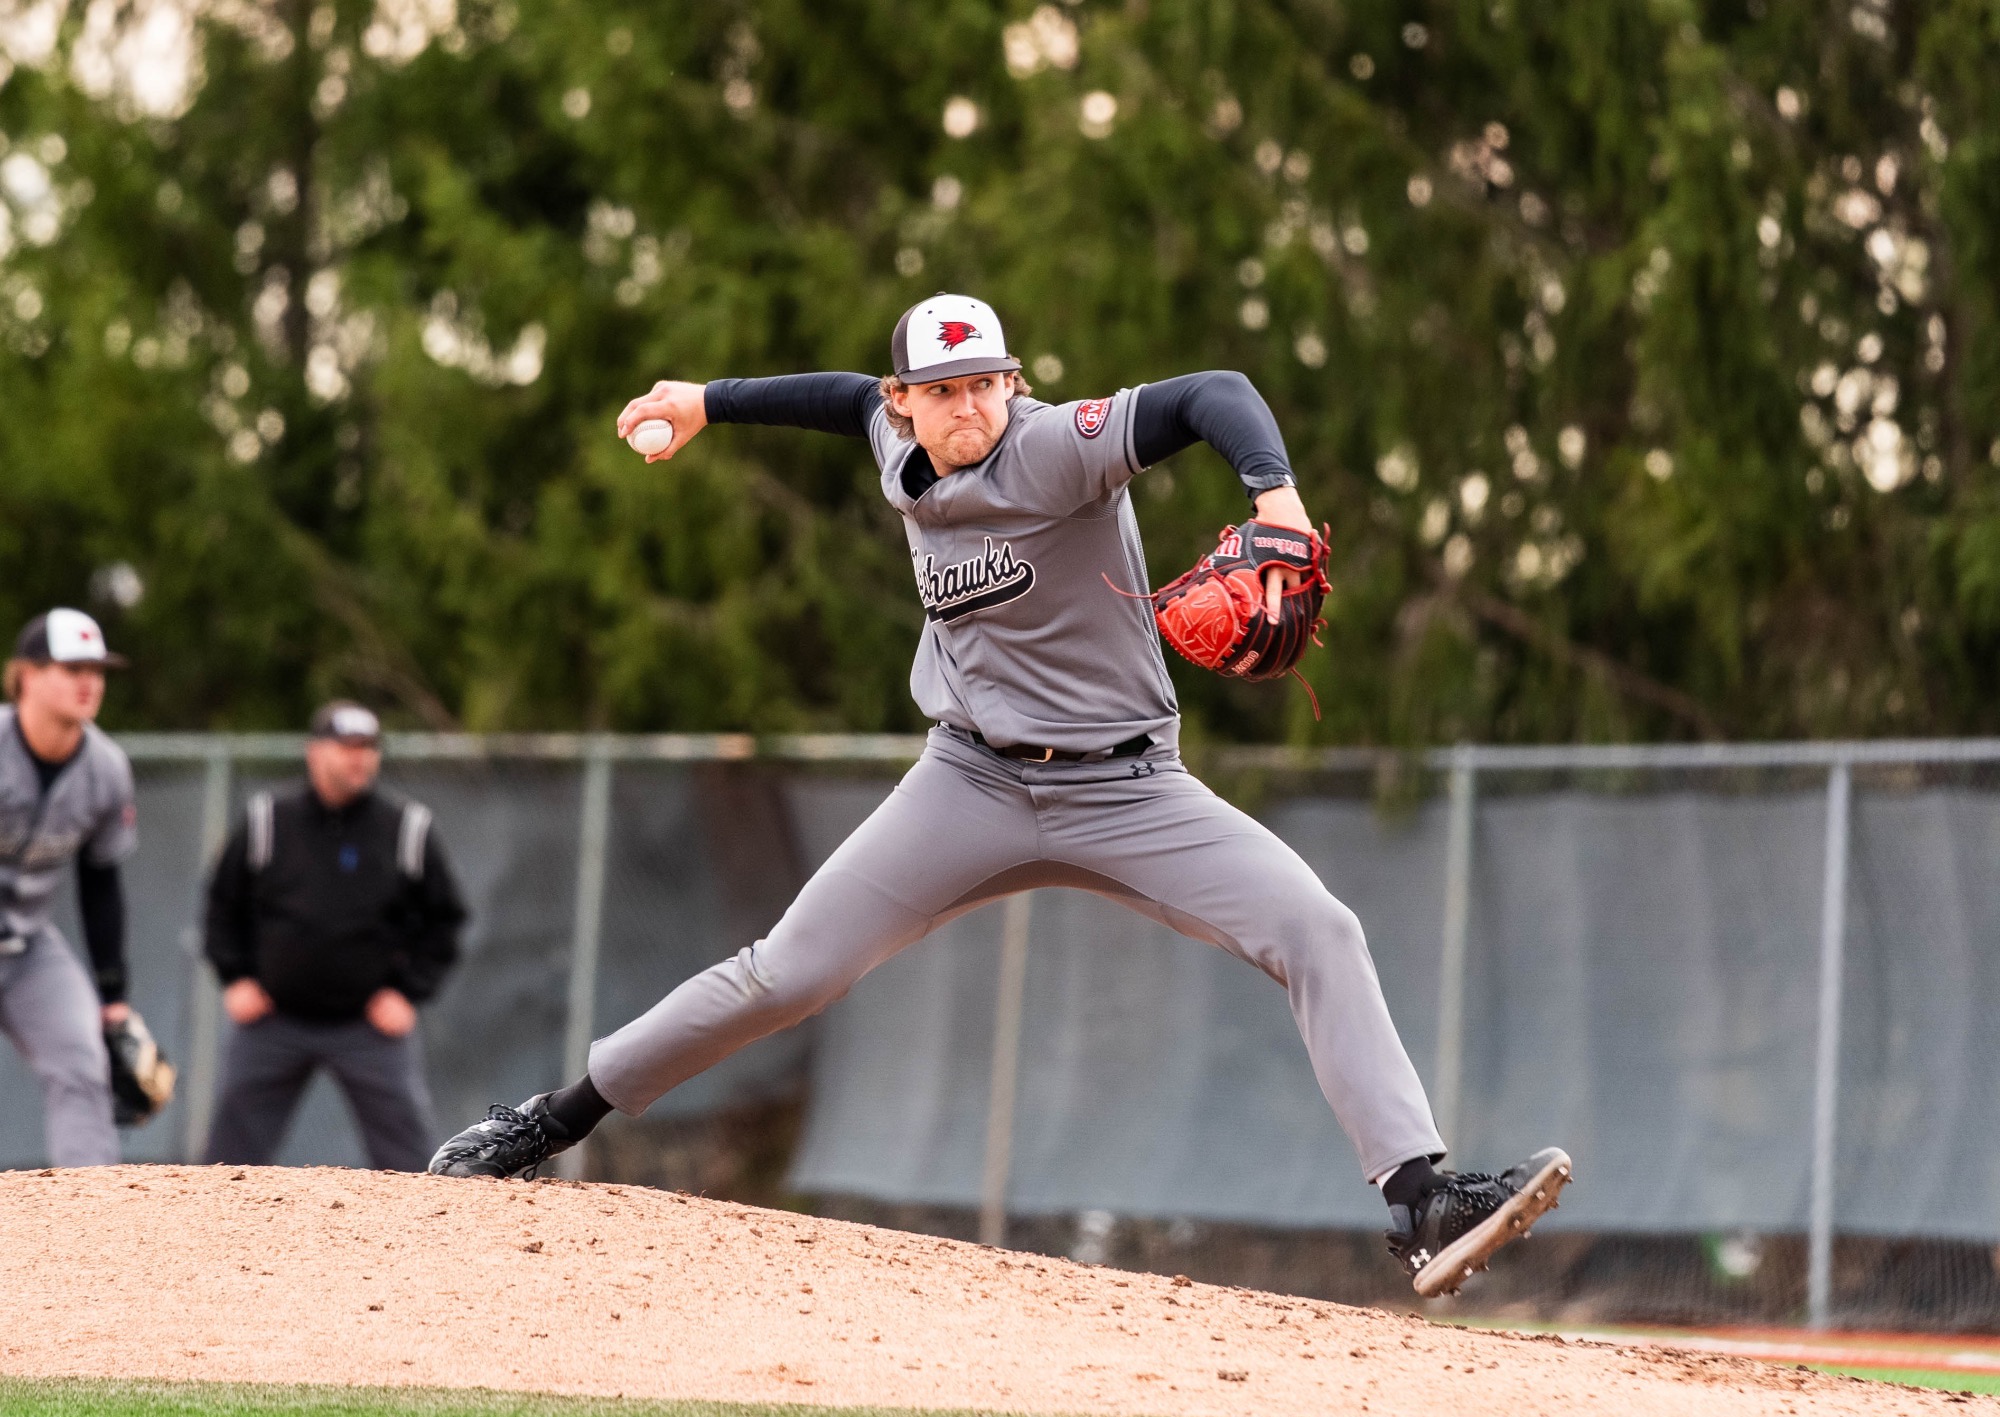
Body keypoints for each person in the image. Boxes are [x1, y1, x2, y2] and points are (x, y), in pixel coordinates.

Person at [431, 293, 1569, 1295]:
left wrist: (1273, 496)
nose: (967, 406)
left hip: (1129, 789)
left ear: (1014, 383)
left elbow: (1211, 393)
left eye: (985, 382)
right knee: (788, 971)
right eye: (942, 389)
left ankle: (1420, 1199)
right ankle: (552, 1119)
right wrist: (705, 401)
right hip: (967, 781)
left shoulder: (1059, 447)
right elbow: (835, 398)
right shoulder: (891, 437)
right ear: (906, 402)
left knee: (1318, 927)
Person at [202, 701, 466, 1171]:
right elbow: (223, 904)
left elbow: (445, 919)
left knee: (412, 1161)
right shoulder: (268, 820)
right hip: (274, 1019)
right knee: (226, 1158)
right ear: (314, 752)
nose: (358, 758)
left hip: (366, 1026)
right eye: (346, 746)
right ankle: (206, 1219)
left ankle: (426, 1220)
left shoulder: (406, 828)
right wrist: (235, 976)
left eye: (368, 747)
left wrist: (409, 992)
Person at [0, 609, 139, 1166]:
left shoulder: (106, 768)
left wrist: (114, 996)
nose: (90, 682)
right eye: (72, 668)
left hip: (29, 949)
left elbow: (100, 881)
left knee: (83, 1064)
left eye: (97, 670)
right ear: (27, 675)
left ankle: (93, 1210)